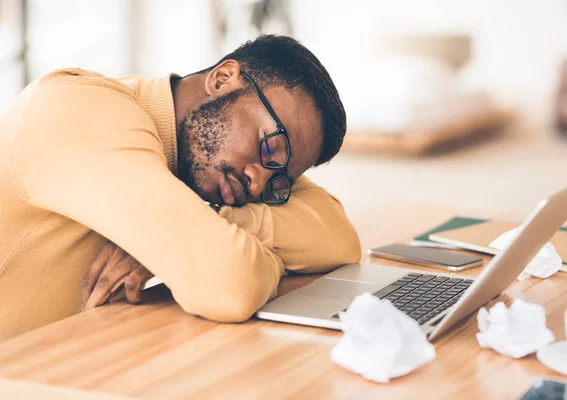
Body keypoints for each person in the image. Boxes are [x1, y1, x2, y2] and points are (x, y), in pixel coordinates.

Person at [0, 35, 361, 339]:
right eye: (270, 146)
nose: (258, 182)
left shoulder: (206, 162)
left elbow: (340, 238)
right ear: (223, 79)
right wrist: (220, 242)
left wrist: (219, 223)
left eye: (279, 181)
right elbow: (230, 285)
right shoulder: (80, 110)